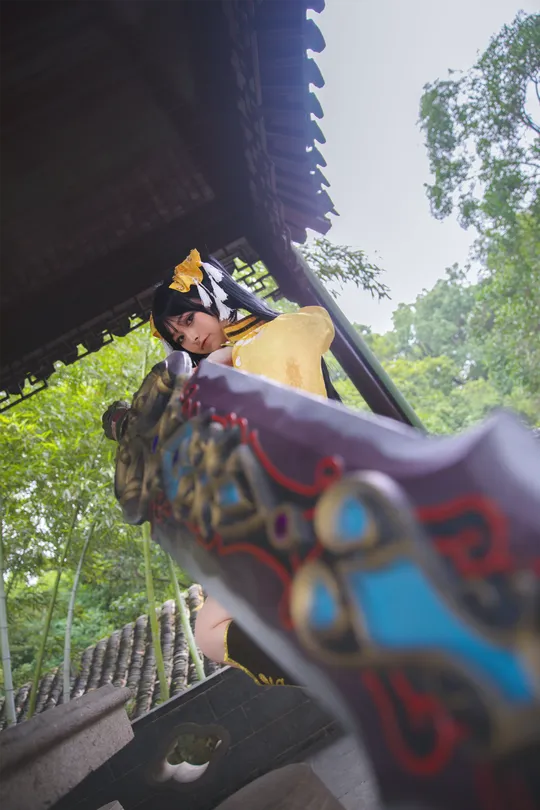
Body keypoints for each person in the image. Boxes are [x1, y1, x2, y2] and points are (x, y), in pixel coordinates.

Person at [151, 249, 342, 686]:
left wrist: (218, 371)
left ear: (212, 297)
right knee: (210, 632)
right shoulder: (217, 368)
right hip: (273, 508)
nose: (189, 338)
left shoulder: (271, 338)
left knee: (212, 629)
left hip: (309, 496)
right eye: (177, 335)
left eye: (189, 320)